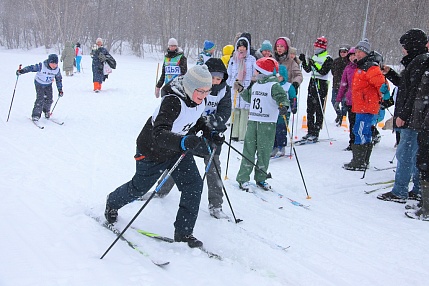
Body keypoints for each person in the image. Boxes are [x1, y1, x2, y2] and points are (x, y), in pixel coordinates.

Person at [104, 65, 217, 248]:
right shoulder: (172, 102)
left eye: (207, 91)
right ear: (189, 87)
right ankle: (112, 201)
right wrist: (183, 142)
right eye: (200, 91)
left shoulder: (199, 100)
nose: (204, 95)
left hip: (176, 150)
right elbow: (159, 134)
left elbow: (195, 120)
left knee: (193, 185)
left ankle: (183, 232)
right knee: (139, 188)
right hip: (152, 150)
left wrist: (210, 132)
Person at [155, 58, 232, 219]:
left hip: (211, 135)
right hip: (191, 132)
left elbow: (225, 112)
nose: (216, 82)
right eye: (213, 78)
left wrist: (208, 123)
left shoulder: (225, 90)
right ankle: (161, 190)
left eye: (219, 79)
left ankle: (216, 205)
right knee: (179, 162)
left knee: (213, 168)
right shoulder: (195, 85)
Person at [377, 28, 428, 203]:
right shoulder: (415, 62)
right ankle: (417, 189)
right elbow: (405, 86)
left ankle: (400, 191)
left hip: (414, 118)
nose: (403, 49)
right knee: (416, 154)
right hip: (417, 117)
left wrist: (404, 115)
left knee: (406, 154)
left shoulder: (420, 62)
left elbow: (414, 93)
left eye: (405, 46)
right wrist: (390, 74)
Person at [236, 57, 289, 191]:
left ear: (263, 72)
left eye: (257, 70)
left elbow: (282, 98)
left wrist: (283, 106)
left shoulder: (274, 85)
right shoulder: (256, 84)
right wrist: (242, 90)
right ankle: (243, 178)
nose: (254, 72)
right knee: (248, 149)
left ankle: (261, 178)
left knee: (264, 152)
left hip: (267, 123)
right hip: (253, 121)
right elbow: (250, 97)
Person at [343, 38, 386, 171]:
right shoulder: (361, 66)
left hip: (367, 106)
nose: (356, 54)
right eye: (356, 51)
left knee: (361, 131)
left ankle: (359, 161)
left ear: (365, 52)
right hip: (361, 105)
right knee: (362, 131)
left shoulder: (370, 67)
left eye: (359, 51)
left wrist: (385, 95)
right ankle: (362, 160)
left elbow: (381, 84)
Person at [299, 36, 333, 142]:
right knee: (310, 109)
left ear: (322, 48)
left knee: (318, 109)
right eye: (315, 46)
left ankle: (316, 132)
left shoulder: (328, 58)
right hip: (312, 82)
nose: (316, 49)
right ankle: (310, 131)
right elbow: (308, 70)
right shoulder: (314, 57)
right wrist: (304, 61)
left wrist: (315, 65)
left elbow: (324, 71)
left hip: (321, 84)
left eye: (318, 47)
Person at [226, 36, 256, 141]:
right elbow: (229, 73)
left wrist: (250, 86)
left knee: (244, 112)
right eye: (240, 46)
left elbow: (253, 74)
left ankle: (242, 134)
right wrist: (231, 84)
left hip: (245, 88)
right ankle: (234, 133)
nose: (241, 49)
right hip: (235, 88)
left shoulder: (251, 60)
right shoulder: (233, 59)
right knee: (235, 111)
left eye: (244, 47)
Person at [16, 54, 63, 121]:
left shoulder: (57, 70)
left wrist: (60, 90)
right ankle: (36, 115)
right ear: (49, 62)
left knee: (49, 99)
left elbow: (59, 79)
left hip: (48, 84)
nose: (54, 65)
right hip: (39, 83)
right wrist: (22, 71)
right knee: (40, 98)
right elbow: (31, 68)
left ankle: (46, 111)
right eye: (52, 63)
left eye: (55, 63)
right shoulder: (42, 66)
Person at [271, 64, 297, 157]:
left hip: (285, 111)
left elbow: (293, 97)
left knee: (281, 129)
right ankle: (274, 147)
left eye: (280, 76)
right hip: (274, 111)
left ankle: (281, 147)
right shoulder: (273, 85)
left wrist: (294, 106)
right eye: (276, 76)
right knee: (273, 129)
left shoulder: (288, 86)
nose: (278, 78)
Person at [335, 47, 357, 151]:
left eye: (354, 55)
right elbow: (343, 85)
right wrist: (338, 99)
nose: (353, 57)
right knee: (352, 122)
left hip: (360, 101)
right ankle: (352, 142)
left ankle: (359, 144)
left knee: (360, 123)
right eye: (351, 55)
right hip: (350, 100)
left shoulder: (362, 68)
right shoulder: (348, 68)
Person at [331, 45, 350, 124]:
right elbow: (333, 71)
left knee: (344, 103)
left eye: (344, 52)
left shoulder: (349, 62)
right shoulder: (336, 61)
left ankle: (343, 118)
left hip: (346, 87)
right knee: (333, 101)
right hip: (336, 85)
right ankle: (339, 114)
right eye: (341, 52)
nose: (342, 53)